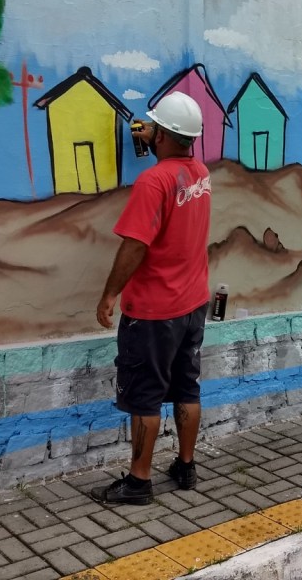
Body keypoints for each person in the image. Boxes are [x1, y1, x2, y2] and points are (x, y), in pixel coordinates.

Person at [93, 91, 212, 505]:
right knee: (186, 389)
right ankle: (185, 466)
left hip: (154, 311)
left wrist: (110, 293)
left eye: (155, 128)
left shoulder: (153, 181)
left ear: (162, 134)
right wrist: (157, 136)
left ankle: (139, 482)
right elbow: (174, 157)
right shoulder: (199, 173)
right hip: (193, 303)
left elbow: (134, 245)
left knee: (145, 394)